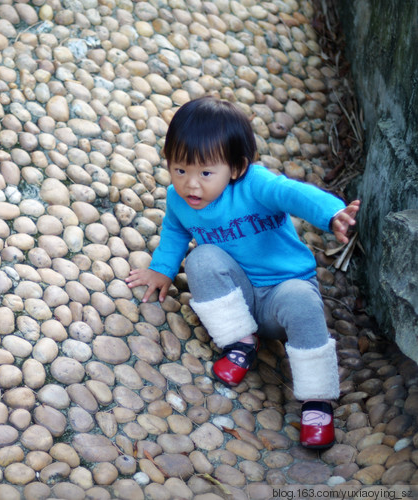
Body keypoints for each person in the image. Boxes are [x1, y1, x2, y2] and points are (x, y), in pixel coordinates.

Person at [126, 97, 360, 449]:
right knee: (201, 258)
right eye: (180, 170)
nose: (191, 184)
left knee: (300, 300)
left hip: (284, 293)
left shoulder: (256, 185)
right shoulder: (179, 199)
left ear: (236, 168)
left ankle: (317, 400)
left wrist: (332, 214)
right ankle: (240, 342)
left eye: (205, 173)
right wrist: (161, 269)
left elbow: (291, 193)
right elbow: (175, 231)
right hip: (239, 301)